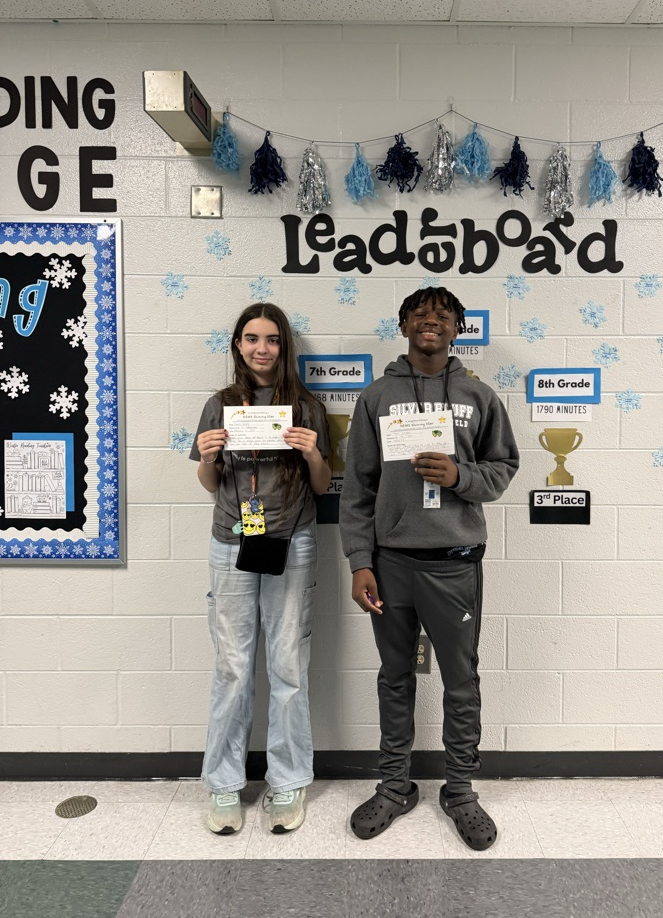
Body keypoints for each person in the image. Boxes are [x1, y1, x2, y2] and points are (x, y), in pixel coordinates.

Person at [340, 286, 519, 851]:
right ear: (404, 326)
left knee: (460, 682)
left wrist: (460, 477)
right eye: (420, 314)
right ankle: (395, 787)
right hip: (391, 565)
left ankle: (460, 791)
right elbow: (358, 491)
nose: (431, 322)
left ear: (458, 328)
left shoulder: (479, 395)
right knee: (395, 678)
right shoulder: (375, 398)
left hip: (454, 564)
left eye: (443, 315)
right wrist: (359, 562)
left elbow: (504, 467)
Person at [191, 302, 331, 835]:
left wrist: (314, 453)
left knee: (288, 665)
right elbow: (209, 484)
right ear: (237, 345)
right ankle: (225, 785)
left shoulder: (307, 407)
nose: (261, 348)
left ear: (284, 346)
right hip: (231, 542)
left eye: (271, 339)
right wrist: (207, 456)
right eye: (251, 338)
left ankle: (289, 779)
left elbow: (321, 486)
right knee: (231, 665)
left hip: (290, 541)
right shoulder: (219, 405)